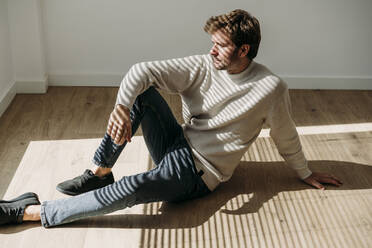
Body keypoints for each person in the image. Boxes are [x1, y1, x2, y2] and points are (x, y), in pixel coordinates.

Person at [0, 9, 342, 227]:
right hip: (178, 142)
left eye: (220, 46)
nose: (211, 51)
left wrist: (306, 172)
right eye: (211, 42)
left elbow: (286, 135)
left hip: (198, 173)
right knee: (143, 94)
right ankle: (98, 173)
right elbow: (142, 69)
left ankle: (33, 212)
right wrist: (121, 105)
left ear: (244, 50)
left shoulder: (270, 87)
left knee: (132, 187)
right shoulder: (204, 65)